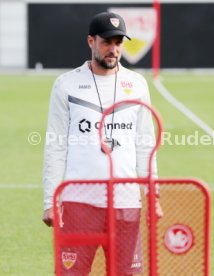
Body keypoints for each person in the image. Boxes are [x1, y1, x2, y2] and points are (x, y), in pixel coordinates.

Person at [42, 11, 163, 276]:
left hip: (126, 201)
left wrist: (152, 196)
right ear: (90, 42)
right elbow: (55, 145)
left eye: (118, 42)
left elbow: (146, 144)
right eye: (106, 42)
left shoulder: (138, 85)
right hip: (79, 203)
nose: (113, 49)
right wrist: (50, 200)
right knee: (71, 273)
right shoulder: (66, 85)